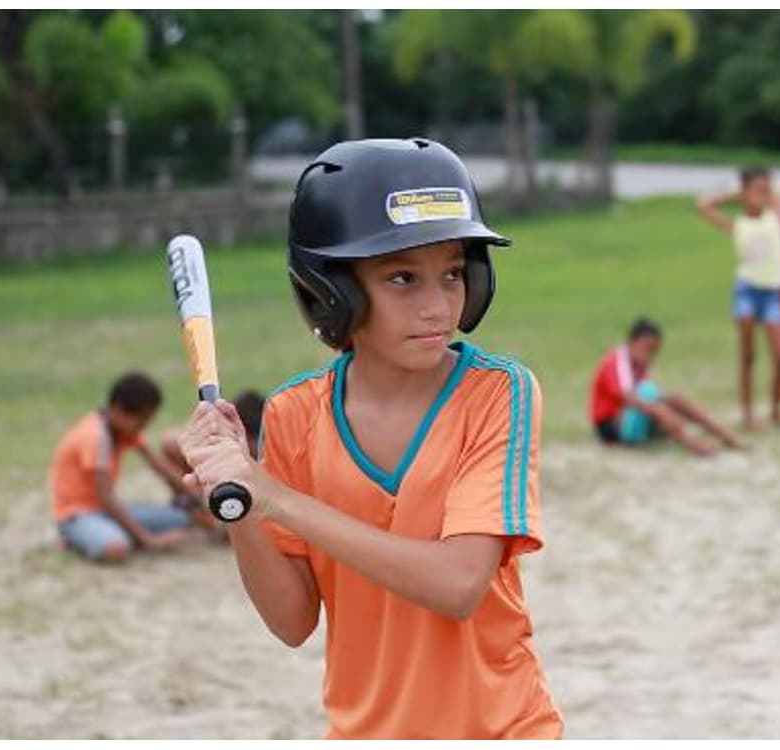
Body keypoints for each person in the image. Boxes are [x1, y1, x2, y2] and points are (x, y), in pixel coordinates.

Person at [177, 139, 562, 739]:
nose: (438, 306)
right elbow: (292, 619)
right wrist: (242, 507)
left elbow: (459, 585)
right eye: (402, 278)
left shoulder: (496, 393)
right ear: (332, 291)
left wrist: (275, 496)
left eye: (454, 274)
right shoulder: (295, 414)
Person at [49, 372, 192, 563]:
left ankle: (109, 533)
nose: (144, 427)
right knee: (116, 549)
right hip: (77, 513)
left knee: (181, 519)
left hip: (105, 511)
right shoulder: (96, 437)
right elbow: (105, 497)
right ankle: (74, 536)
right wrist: (149, 540)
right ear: (119, 410)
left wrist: (197, 497)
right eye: (141, 422)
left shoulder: (123, 430)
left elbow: (158, 465)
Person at [696, 166, 780, 429]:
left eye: (765, 189)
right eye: (755, 190)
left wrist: (769, 193)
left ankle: (776, 411)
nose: (760, 195)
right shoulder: (738, 224)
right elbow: (703, 205)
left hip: (772, 293)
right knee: (748, 356)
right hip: (747, 291)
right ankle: (748, 414)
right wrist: (735, 195)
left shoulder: (775, 217)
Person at [589, 317, 744, 456]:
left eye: (654, 352)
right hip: (612, 428)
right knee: (659, 408)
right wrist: (664, 413)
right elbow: (631, 399)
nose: (650, 356)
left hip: (629, 417)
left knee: (676, 399)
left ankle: (728, 437)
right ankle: (695, 446)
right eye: (647, 349)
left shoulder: (637, 363)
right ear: (631, 342)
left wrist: (668, 411)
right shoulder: (617, 361)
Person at [161, 389, 265, 526]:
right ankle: (190, 505)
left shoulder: (265, 458)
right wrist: (196, 498)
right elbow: (169, 441)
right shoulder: (217, 443)